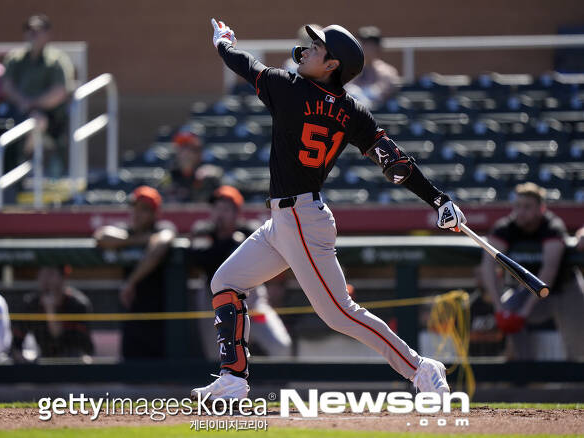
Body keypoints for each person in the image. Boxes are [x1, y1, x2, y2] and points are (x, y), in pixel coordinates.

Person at [192, 19, 467, 400]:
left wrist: (223, 42)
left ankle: (420, 368)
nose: (306, 49)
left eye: (316, 48)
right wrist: (439, 200)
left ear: (332, 65)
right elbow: (396, 163)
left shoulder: (288, 87)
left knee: (339, 313)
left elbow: (242, 63)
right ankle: (234, 379)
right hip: (289, 220)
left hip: (301, 219)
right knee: (226, 282)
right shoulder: (352, 110)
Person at [480, 183, 584, 360]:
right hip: (527, 291)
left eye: (527, 207)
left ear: (541, 208)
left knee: (579, 347)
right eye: (518, 206)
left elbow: (548, 272)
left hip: (564, 289)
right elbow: (487, 265)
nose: (521, 211)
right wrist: (499, 308)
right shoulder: (506, 228)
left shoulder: (552, 226)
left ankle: (575, 382)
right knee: (509, 309)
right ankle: (523, 377)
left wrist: (524, 313)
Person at [190, 185, 292, 358]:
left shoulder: (250, 232)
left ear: (237, 213)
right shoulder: (203, 231)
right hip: (215, 305)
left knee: (281, 346)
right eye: (217, 208)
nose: (220, 213)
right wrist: (229, 243)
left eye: (226, 208)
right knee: (218, 358)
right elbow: (200, 259)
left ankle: (276, 384)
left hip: (251, 301)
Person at [93, 185, 176, 358]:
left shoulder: (162, 227)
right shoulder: (128, 231)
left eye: (144, 210)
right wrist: (137, 240)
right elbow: (101, 237)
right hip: (132, 310)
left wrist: (130, 282)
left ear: (155, 213)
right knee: (130, 365)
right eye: (135, 208)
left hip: (160, 313)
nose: (137, 214)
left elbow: (161, 244)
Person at [2, 14, 75, 176]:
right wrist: (23, 102)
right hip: (18, 110)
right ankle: (2, 165)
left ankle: (22, 161)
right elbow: (7, 86)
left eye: (38, 30)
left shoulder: (56, 60)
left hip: (49, 115)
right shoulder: (15, 58)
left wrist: (32, 103)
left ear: (48, 34)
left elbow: (59, 92)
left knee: (36, 122)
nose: (33, 34)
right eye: (29, 30)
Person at [12, 266, 94, 360]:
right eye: (42, 274)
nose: (45, 279)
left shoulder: (77, 304)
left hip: (74, 362)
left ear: (63, 277)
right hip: (44, 362)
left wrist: (50, 310)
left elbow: (63, 340)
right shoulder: (31, 303)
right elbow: (16, 343)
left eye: (50, 274)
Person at [159, 130, 223, 203]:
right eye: (182, 148)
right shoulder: (169, 176)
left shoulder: (210, 177)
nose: (185, 153)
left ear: (199, 153)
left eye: (189, 148)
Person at [344, 26, 399, 110]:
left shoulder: (387, 71)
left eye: (371, 44)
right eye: (364, 43)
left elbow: (385, 91)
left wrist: (371, 93)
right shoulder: (350, 69)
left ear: (378, 47)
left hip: (379, 114)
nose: (367, 48)